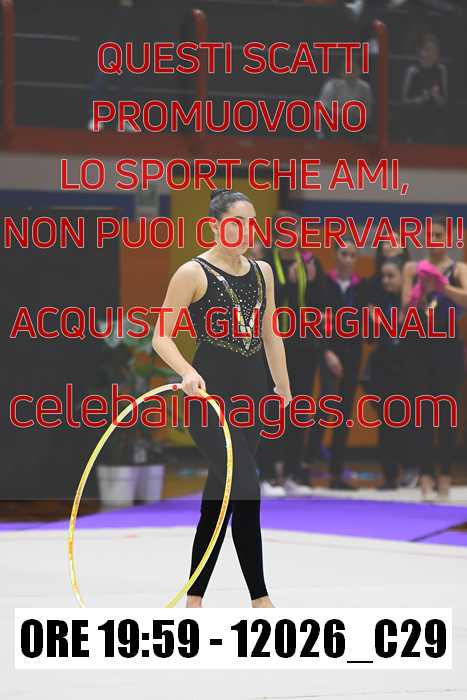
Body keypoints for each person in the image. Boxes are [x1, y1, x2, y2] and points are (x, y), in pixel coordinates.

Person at [152, 188, 292, 608]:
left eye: (252, 223)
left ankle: (194, 597)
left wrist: (283, 388)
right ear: (215, 226)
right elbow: (162, 336)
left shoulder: (263, 272)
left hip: (253, 400)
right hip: (209, 400)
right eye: (237, 223)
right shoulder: (192, 273)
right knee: (246, 487)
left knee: (218, 500)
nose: (247, 231)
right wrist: (187, 371)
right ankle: (260, 598)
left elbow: (271, 333)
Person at [256, 213, 326, 497]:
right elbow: (266, 302)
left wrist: (313, 282)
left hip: (303, 347)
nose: (292, 235)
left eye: (296, 229)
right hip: (274, 345)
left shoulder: (310, 263)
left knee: (300, 410)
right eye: (286, 230)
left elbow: (319, 305)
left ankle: (292, 473)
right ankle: (268, 474)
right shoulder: (265, 264)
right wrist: (290, 284)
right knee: (272, 409)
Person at [401, 215, 467, 501]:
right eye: (429, 235)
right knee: (423, 413)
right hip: (419, 346)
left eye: (439, 235)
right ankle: (425, 475)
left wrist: (443, 287)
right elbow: (404, 308)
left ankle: (445, 475)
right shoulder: (412, 268)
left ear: (448, 238)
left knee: (447, 413)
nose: (434, 240)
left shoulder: (459, 269)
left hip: (448, 345)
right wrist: (421, 292)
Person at [305, 238, 368, 490]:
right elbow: (314, 319)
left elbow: (364, 324)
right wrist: (327, 351)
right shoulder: (324, 283)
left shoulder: (361, 287)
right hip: (328, 351)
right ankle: (306, 464)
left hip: (352, 354)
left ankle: (336, 472)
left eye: (353, 255)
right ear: (335, 254)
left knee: (344, 413)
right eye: (344, 254)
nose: (348, 259)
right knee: (326, 405)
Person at [365, 258, 410, 490]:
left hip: (408, 370)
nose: (386, 281)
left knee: (410, 423)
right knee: (387, 424)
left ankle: (412, 469)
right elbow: (370, 339)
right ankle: (390, 474)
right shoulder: (379, 302)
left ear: (404, 277)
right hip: (384, 371)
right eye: (383, 276)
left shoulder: (412, 302)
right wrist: (373, 323)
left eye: (391, 276)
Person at [401, 33, 448, 143]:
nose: (430, 54)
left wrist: (436, 96)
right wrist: (420, 100)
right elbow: (404, 101)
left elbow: (444, 102)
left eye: (434, 51)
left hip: (435, 121)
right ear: (420, 52)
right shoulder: (412, 71)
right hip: (415, 120)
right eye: (427, 50)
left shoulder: (441, 70)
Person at [317, 57, 373, 140]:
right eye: (347, 71)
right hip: (333, 119)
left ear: (359, 72)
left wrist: (351, 115)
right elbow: (321, 106)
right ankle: (323, 139)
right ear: (342, 73)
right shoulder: (332, 85)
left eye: (353, 71)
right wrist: (340, 113)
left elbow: (367, 113)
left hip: (354, 122)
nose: (350, 74)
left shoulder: (365, 88)